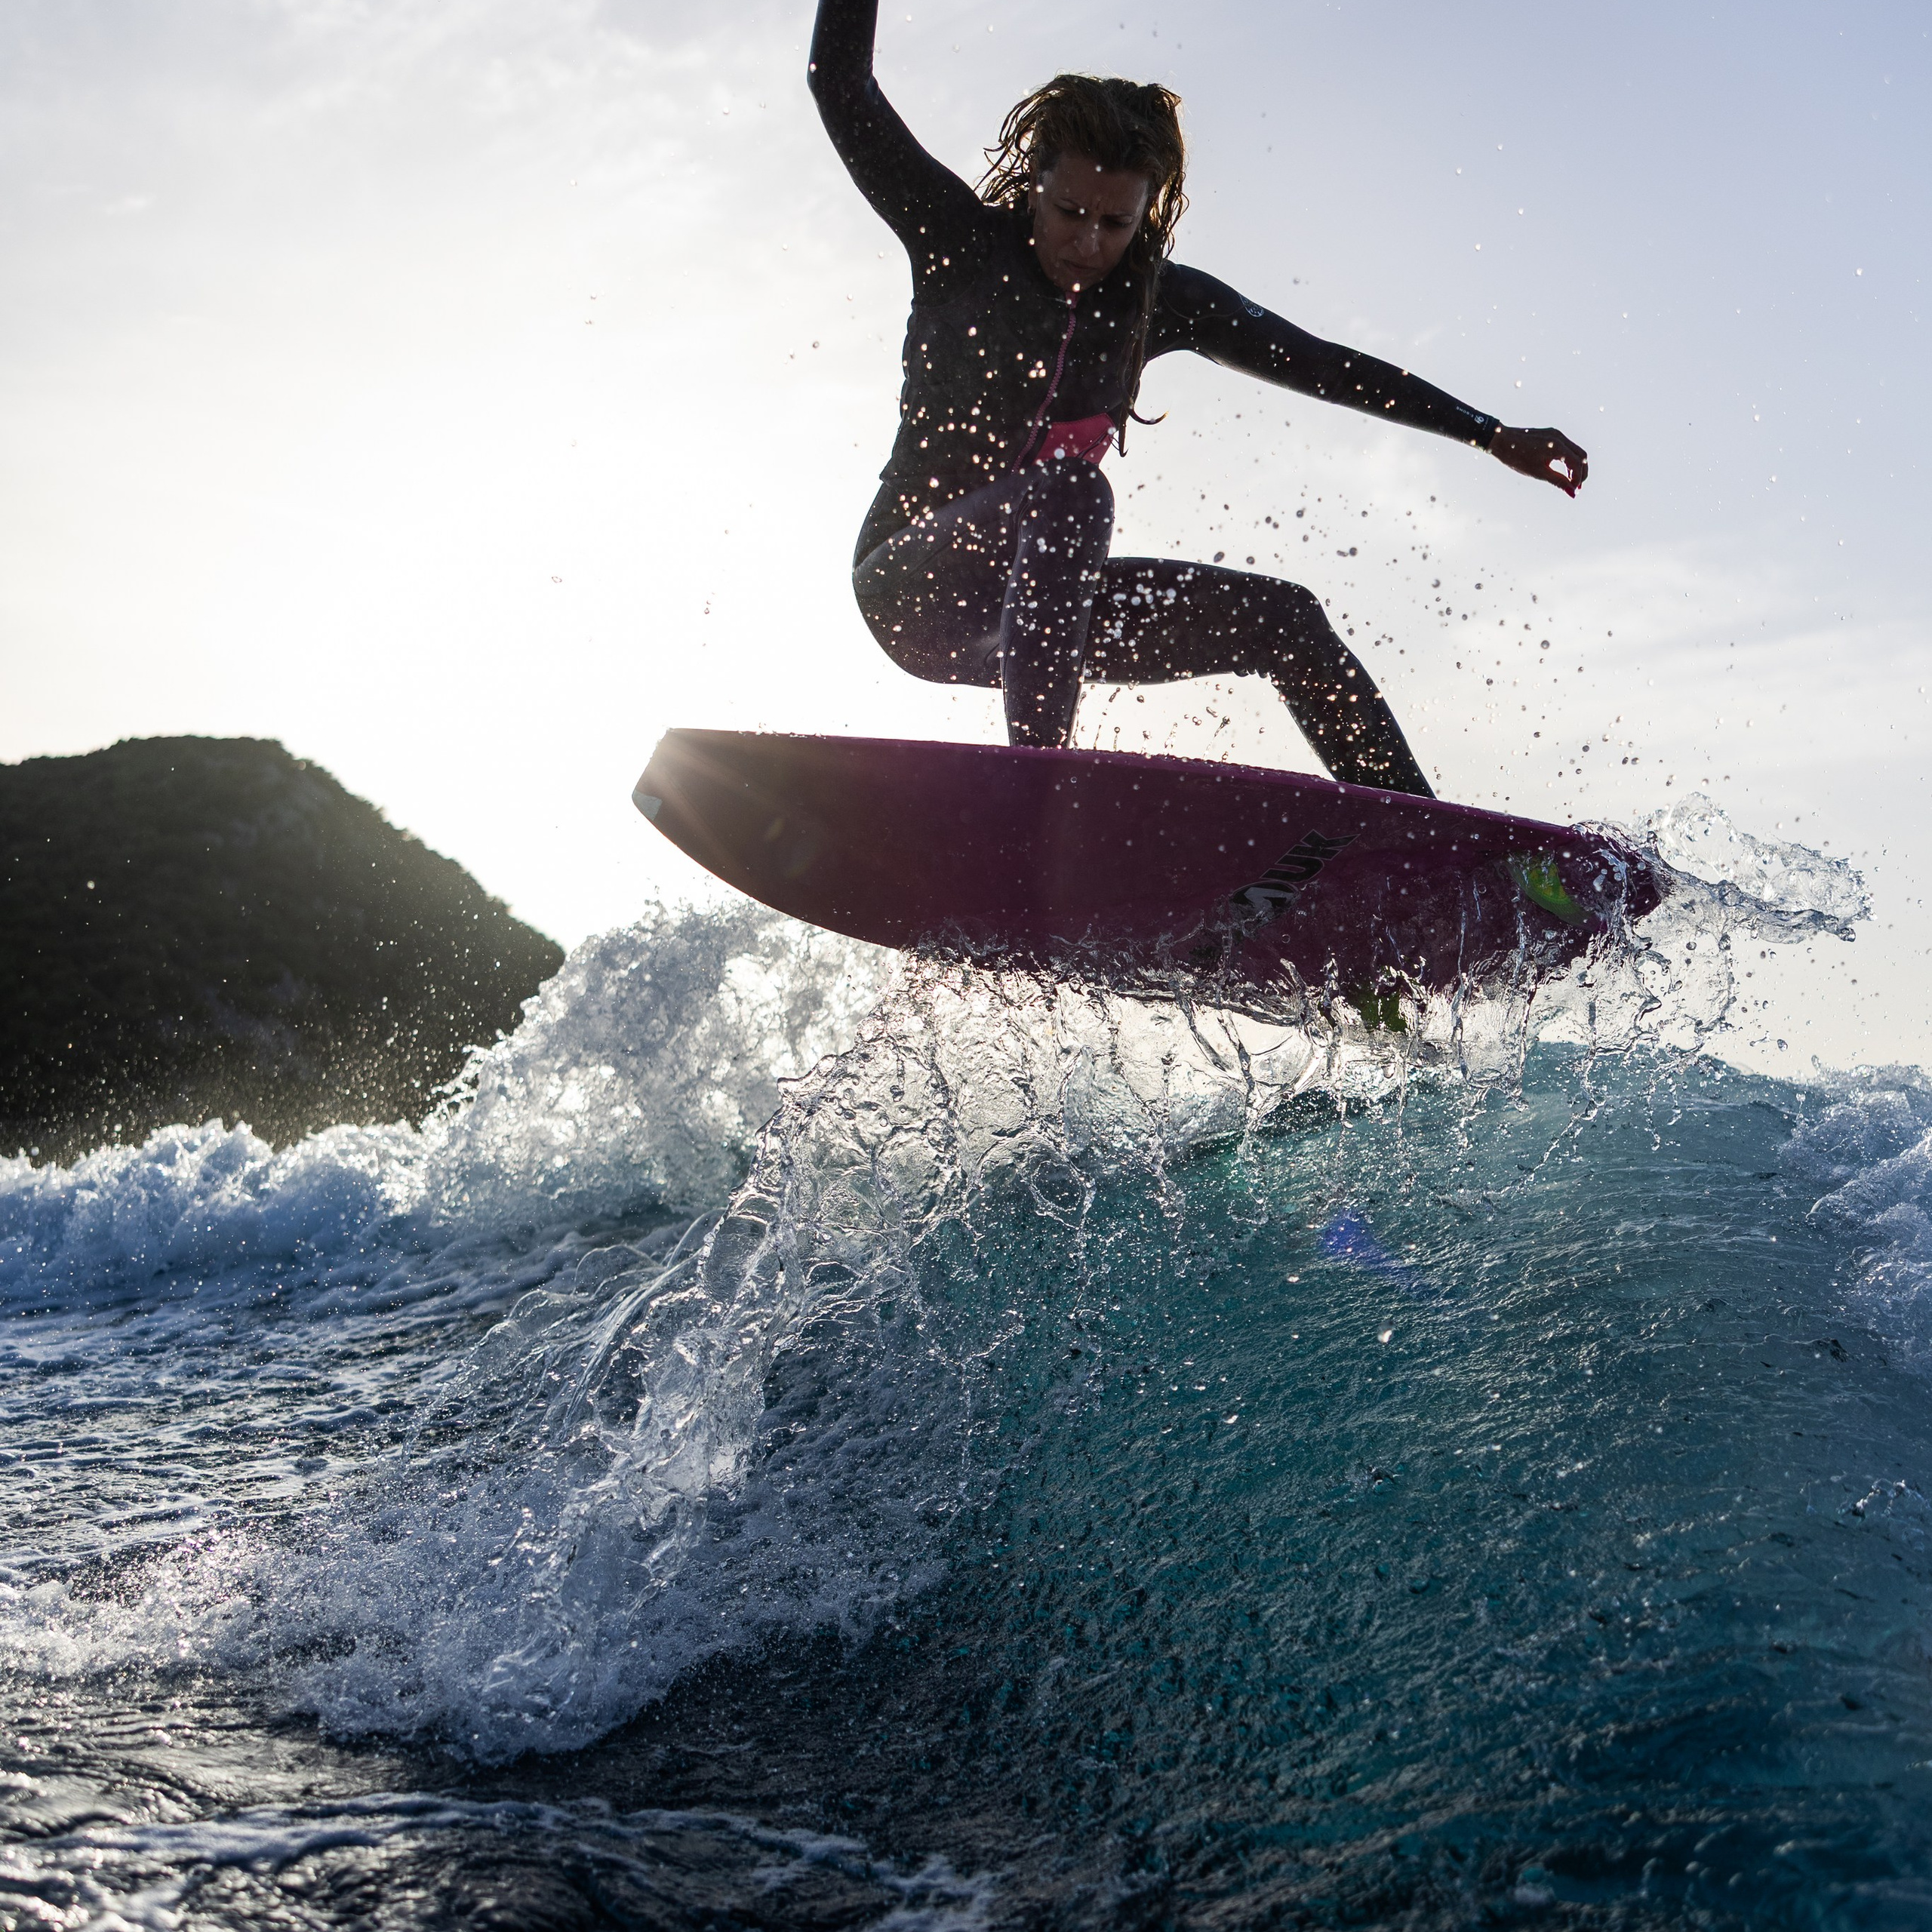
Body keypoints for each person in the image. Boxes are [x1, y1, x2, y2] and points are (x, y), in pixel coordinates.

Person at [807, 0, 1589, 798]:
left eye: (1115, 223)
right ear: (1033, 180)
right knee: (1072, 492)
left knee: (1286, 620)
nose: (1086, 242)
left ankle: (1427, 848)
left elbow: (1322, 365)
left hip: (1050, 612)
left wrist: (1486, 433)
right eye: (1068, 212)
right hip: (913, 587)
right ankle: (1037, 794)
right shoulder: (959, 243)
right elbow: (838, 83)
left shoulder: (1157, 300)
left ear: (1150, 208)